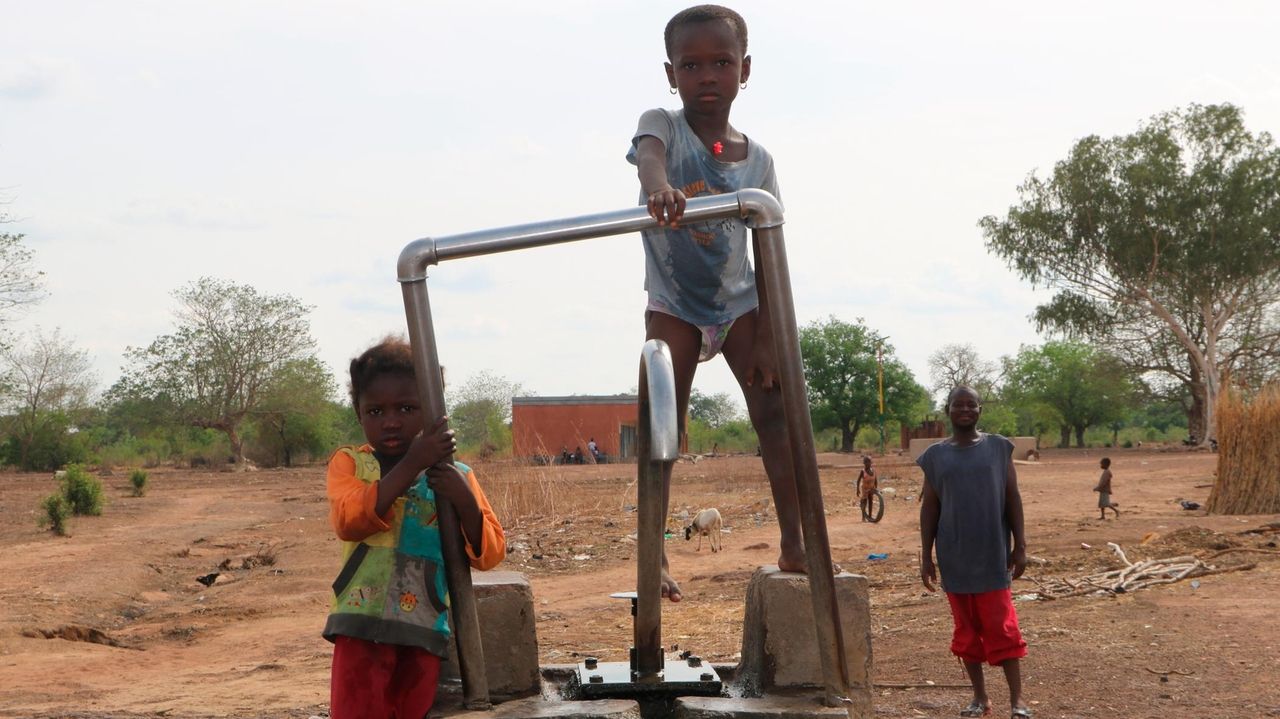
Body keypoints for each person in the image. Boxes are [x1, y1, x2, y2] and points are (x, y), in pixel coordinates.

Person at [627, 4, 802, 603]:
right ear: (672, 74)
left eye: (721, 63)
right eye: (692, 64)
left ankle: (796, 539)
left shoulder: (758, 161)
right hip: (675, 305)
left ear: (744, 70)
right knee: (661, 427)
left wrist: (774, 340)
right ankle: (655, 555)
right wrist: (659, 189)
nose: (707, 75)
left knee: (776, 417)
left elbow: (768, 251)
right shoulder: (665, 128)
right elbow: (649, 155)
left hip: (741, 307)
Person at [323, 337, 506, 719]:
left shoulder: (457, 475)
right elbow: (349, 521)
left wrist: (465, 501)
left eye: (407, 408)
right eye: (375, 411)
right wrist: (412, 463)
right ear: (358, 414)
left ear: (433, 411)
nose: (390, 421)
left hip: (423, 626)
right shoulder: (350, 465)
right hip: (360, 623)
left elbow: (490, 553)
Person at [918, 386, 1031, 719]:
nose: (964, 409)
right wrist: (926, 555)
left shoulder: (998, 448)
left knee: (1003, 627)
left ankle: (1018, 701)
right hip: (953, 555)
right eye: (958, 405)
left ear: (980, 410)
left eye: (971, 405)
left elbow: (1013, 497)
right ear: (948, 410)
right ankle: (980, 698)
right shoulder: (935, 456)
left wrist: (1020, 545)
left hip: (993, 553)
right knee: (966, 631)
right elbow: (930, 507)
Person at [857, 455, 878, 522]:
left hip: (871, 489)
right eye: (866, 462)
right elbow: (858, 480)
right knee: (864, 502)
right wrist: (857, 489)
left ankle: (869, 516)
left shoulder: (873, 471)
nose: (868, 463)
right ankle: (863, 517)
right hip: (865, 489)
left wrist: (875, 488)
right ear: (864, 463)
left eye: (869, 462)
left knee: (871, 502)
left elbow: (876, 480)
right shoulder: (863, 471)